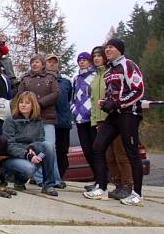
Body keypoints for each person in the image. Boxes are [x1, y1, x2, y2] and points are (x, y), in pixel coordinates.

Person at [84, 38, 145, 206]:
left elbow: (138, 90)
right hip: (113, 116)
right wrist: (104, 102)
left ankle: (137, 193)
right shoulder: (109, 72)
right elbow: (113, 94)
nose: (107, 50)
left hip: (129, 114)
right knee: (98, 146)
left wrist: (118, 103)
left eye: (111, 47)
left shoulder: (128, 65)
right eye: (106, 47)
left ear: (119, 49)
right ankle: (102, 187)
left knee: (131, 152)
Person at [3, 92, 59, 196]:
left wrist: (34, 150)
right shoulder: (10, 120)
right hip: (13, 157)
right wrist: (28, 153)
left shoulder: (38, 121)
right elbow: (9, 145)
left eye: (27, 103)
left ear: (33, 105)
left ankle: (48, 185)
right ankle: (18, 181)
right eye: (21, 102)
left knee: (48, 146)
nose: (23, 105)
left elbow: (40, 141)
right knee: (30, 168)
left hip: (31, 153)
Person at [18, 54, 61, 187]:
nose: (35, 64)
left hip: (47, 117)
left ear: (43, 64)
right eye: (32, 62)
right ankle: (40, 178)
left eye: (37, 62)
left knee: (50, 148)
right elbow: (20, 96)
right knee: (34, 149)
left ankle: (55, 179)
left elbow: (55, 94)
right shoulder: (25, 79)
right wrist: (30, 107)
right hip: (31, 119)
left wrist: (38, 103)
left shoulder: (51, 78)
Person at [45, 53, 72, 185]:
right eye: (49, 61)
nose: (52, 64)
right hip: (46, 120)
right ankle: (46, 177)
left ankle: (59, 178)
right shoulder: (42, 79)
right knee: (46, 150)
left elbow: (69, 98)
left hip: (63, 122)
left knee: (62, 151)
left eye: (54, 62)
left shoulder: (66, 81)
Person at [71, 52, 97, 177]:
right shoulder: (76, 79)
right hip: (80, 119)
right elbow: (74, 98)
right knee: (87, 151)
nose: (81, 62)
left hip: (93, 118)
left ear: (90, 61)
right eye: (79, 60)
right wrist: (74, 111)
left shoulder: (95, 75)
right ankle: (96, 176)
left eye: (84, 60)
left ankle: (102, 178)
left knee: (96, 150)